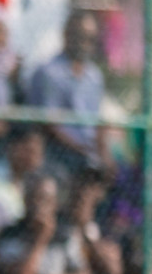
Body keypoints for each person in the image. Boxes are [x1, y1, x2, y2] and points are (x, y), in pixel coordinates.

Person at [0, 174, 91, 274]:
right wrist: (40, 240)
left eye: (46, 199)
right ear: (25, 200)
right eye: (34, 198)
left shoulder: (65, 234)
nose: (39, 205)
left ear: (55, 204)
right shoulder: (10, 233)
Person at [28, 10, 108, 179]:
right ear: (66, 35)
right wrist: (82, 149)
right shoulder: (48, 73)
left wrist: (102, 152)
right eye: (80, 36)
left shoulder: (95, 76)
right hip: (59, 153)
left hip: (89, 153)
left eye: (90, 38)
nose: (85, 43)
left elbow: (96, 122)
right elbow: (49, 124)